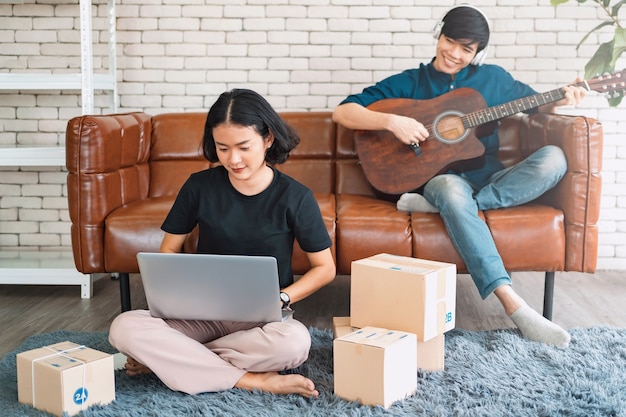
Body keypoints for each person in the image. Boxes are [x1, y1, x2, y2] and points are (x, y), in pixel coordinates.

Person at [332, 5, 587, 348]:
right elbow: (344, 111)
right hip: (442, 182)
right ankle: (515, 306)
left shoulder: (493, 80)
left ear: (478, 52)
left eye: (466, 49)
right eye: (449, 41)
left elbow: (535, 105)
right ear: (439, 36)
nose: (454, 54)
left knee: (554, 159)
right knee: (452, 192)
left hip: (491, 177)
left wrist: (562, 97)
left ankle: (449, 209)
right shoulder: (410, 82)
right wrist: (392, 121)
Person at [109, 88, 336, 398]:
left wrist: (282, 298)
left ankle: (172, 359)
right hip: (199, 314)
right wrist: (173, 291)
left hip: (263, 320)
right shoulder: (199, 187)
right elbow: (169, 251)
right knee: (124, 327)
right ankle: (253, 380)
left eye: (244, 146)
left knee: (295, 343)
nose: (233, 159)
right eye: (222, 148)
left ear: (268, 138)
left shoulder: (295, 197)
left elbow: (325, 268)